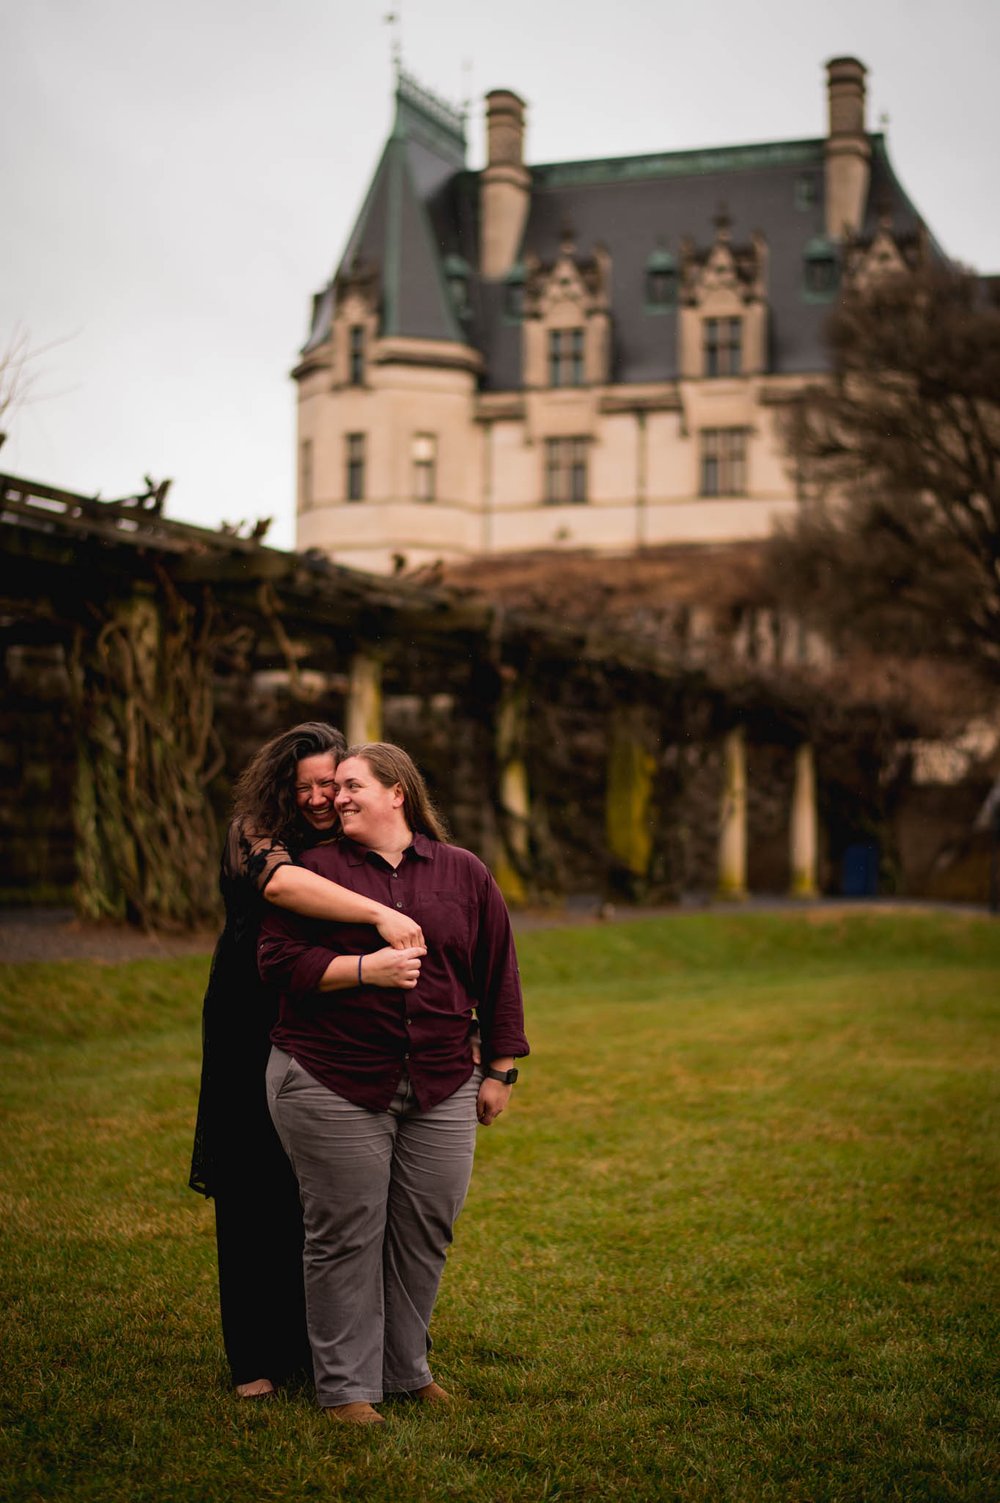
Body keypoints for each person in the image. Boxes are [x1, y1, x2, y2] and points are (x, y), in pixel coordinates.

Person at [258, 742, 529, 1424]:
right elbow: (276, 961)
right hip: (331, 1074)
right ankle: (347, 1388)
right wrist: (364, 969)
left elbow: (499, 974)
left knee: (425, 1226)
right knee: (346, 1232)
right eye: (332, 786)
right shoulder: (315, 872)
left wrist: (498, 1069)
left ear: (397, 791)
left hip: (443, 1079)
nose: (334, 797)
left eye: (351, 785)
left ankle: (406, 1369)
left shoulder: (463, 872)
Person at [188, 722, 427, 1399]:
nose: (322, 796)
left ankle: (325, 1347)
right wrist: (380, 914)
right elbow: (286, 888)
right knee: (251, 1179)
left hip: (329, 1008)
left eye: (332, 781)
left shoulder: (348, 834)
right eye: (307, 785)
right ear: (282, 786)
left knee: (329, 1188)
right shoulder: (254, 829)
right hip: (250, 1015)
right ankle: (254, 1360)